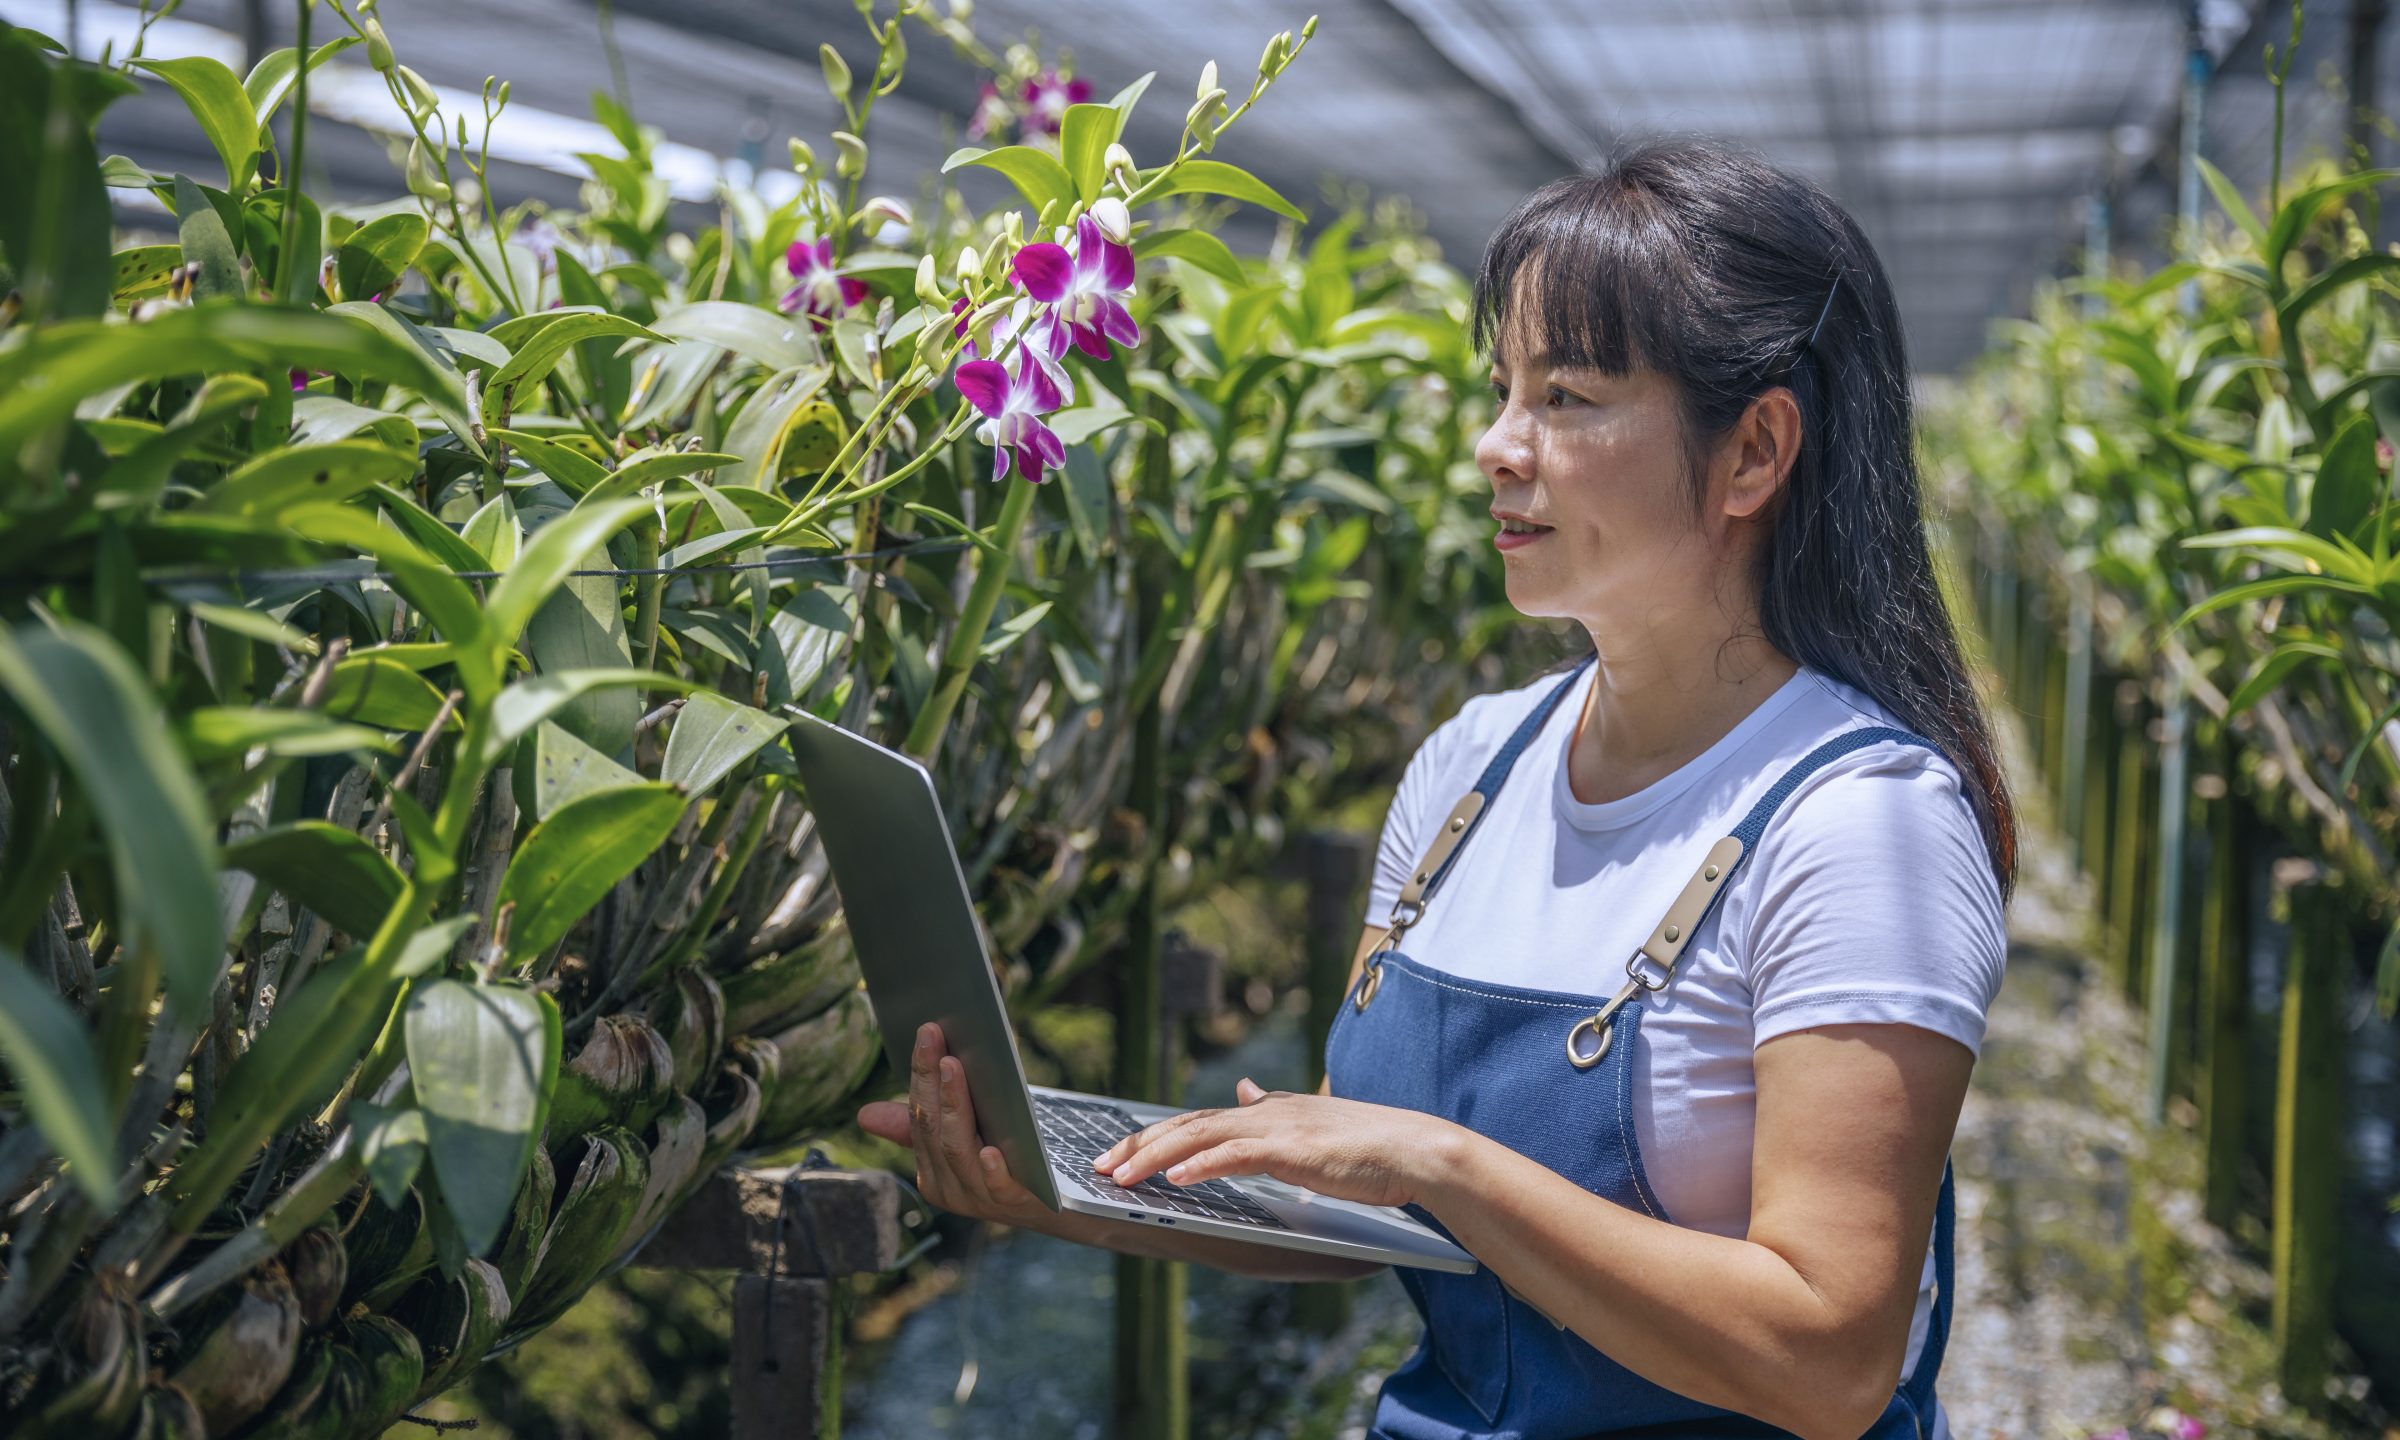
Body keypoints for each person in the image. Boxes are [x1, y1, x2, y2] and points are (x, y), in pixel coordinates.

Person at [859, 134, 2014, 1440]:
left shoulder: (1861, 827)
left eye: (1567, 397)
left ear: (1754, 451)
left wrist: (1440, 1160)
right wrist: (1079, 1186)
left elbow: (1828, 1356)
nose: (1494, 447)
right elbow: (1377, 1221)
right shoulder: (1473, 771)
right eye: (1503, 389)